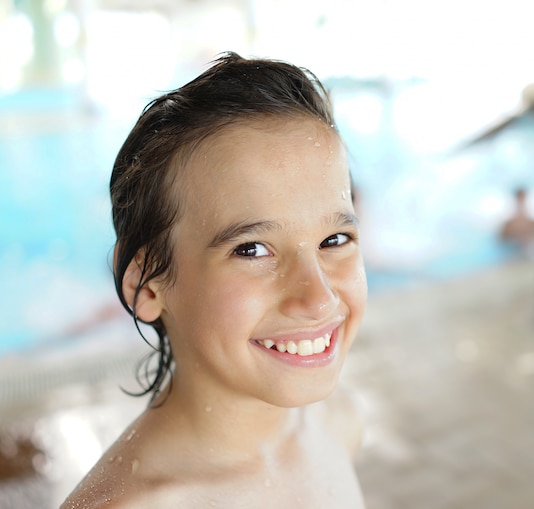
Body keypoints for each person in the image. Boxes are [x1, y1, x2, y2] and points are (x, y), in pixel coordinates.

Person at [61, 52, 368, 508]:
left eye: (335, 238)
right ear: (146, 286)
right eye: (252, 249)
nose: (318, 298)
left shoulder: (337, 421)